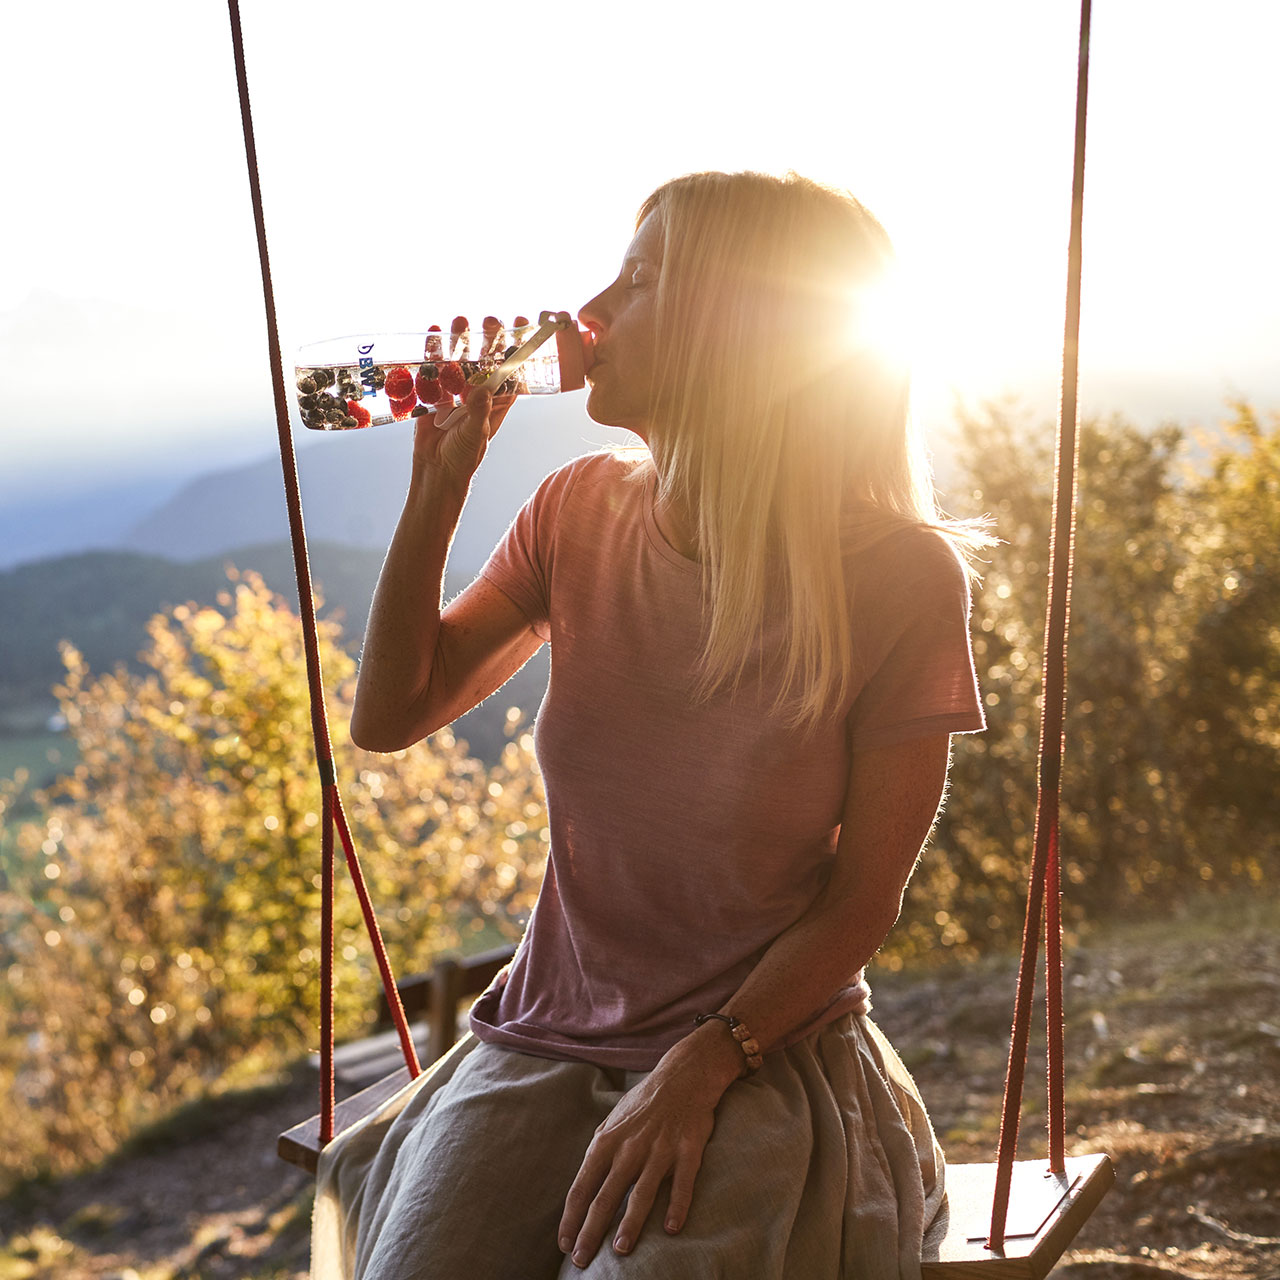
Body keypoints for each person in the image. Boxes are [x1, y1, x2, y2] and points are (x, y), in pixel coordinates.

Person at [313, 170, 990, 1280]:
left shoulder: (896, 577)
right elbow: (391, 713)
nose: (590, 312)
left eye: (637, 281)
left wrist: (708, 1059)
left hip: (760, 1046)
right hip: (540, 1036)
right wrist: (437, 483)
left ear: (735, 325)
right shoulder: (576, 510)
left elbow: (862, 898)